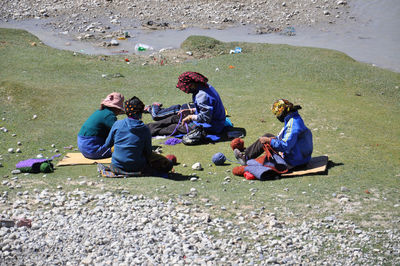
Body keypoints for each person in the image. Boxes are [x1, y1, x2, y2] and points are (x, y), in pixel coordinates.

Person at [234, 99, 313, 169]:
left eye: (278, 114)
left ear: (284, 112)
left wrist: (269, 141)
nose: (277, 116)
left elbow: (285, 145)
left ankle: (246, 157)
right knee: (268, 136)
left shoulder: (293, 124)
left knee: (266, 139)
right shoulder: (295, 118)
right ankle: (247, 155)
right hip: (302, 157)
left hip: (295, 161)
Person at [104, 96, 172, 174]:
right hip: (137, 166)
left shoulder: (117, 124)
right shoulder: (145, 129)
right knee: (168, 164)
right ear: (141, 112)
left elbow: (107, 144)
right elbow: (148, 152)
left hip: (117, 165)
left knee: (114, 147)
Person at [147, 71, 226, 138]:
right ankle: (146, 128)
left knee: (176, 127)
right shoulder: (206, 87)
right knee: (175, 118)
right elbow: (209, 109)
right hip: (213, 120)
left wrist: (191, 117)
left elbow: (206, 118)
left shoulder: (202, 96)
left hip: (212, 127)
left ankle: (147, 132)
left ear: (191, 84)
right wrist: (191, 111)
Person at [77, 92, 125, 159]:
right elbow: (121, 131)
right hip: (92, 149)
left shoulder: (102, 112)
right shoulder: (109, 116)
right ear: (116, 108)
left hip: (84, 147)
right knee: (123, 145)